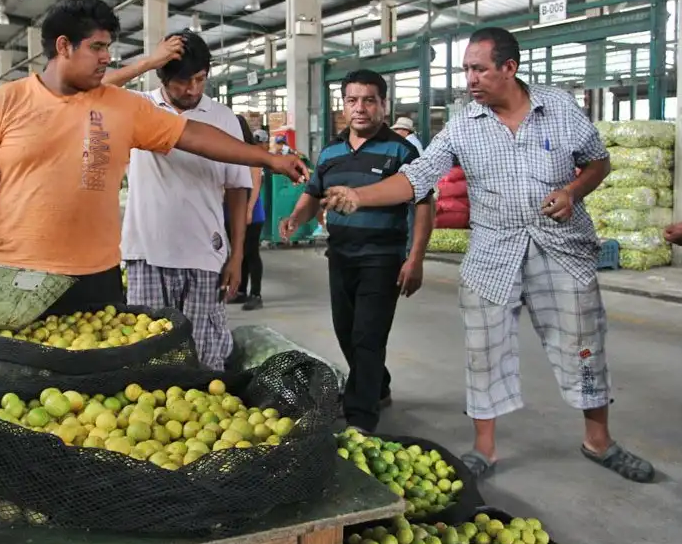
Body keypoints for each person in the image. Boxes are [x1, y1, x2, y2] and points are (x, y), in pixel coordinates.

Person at [320, 27, 655, 483]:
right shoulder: (463, 123)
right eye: (465, 70)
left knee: (584, 346)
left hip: (561, 248)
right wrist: (362, 197)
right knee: (483, 350)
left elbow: (598, 161)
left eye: (478, 69)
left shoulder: (558, 107)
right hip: (492, 252)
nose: (469, 79)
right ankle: (484, 449)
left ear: (509, 68)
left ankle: (599, 441)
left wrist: (573, 191)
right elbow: (418, 177)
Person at [0, 0, 308, 315]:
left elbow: (193, 134)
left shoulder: (122, 106)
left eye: (109, 47)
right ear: (63, 46)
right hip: (18, 274)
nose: (107, 57)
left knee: (94, 392)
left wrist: (267, 158)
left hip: (96, 277)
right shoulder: (8, 100)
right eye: (98, 47)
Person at [280, 69, 435, 435]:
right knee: (347, 331)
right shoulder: (332, 152)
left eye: (369, 100)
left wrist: (416, 258)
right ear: (343, 106)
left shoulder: (402, 150)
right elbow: (313, 195)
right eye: (352, 100)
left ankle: (360, 418)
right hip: (341, 256)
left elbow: (424, 204)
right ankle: (376, 385)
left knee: (368, 335)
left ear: (384, 105)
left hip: (382, 258)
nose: (360, 108)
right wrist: (295, 218)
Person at [100, 31, 251, 370]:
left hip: (203, 255)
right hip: (145, 255)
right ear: (163, 77)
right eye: (183, 82)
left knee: (202, 355)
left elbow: (239, 189)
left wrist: (238, 255)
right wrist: (149, 60)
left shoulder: (224, 118)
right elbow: (94, 91)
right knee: (146, 352)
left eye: (199, 79)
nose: (193, 90)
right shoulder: (140, 107)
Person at [228, 115, 266, 311]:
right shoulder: (228, 151)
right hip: (232, 211)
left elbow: (256, 184)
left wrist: (249, 210)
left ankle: (256, 294)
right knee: (238, 252)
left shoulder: (252, 153)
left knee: (251, 252)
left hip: (251, 211)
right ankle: (240, 290)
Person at [391, 117, 426, 254]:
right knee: (410, 217)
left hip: (413, 186)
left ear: (405, 131)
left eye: (397, 129)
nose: (395, 132)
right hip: (413, 185)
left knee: (411, 218)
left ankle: (409, 248)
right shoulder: (412, 142)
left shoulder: (410, 145)